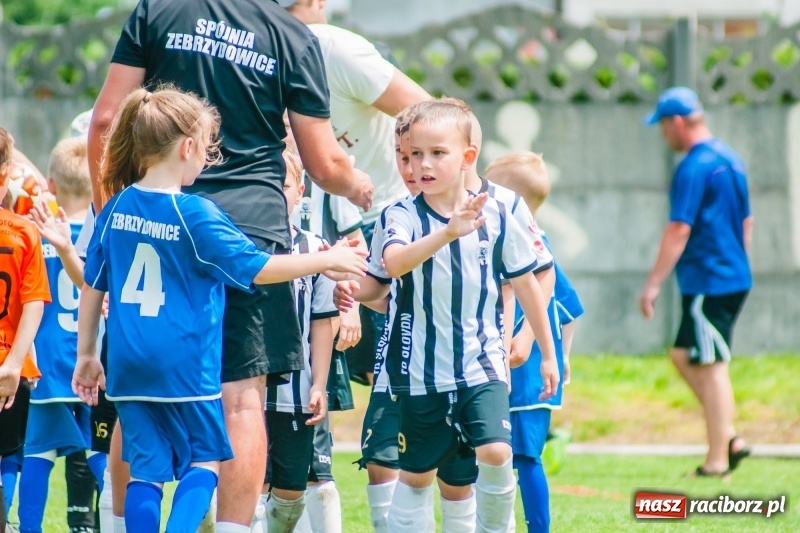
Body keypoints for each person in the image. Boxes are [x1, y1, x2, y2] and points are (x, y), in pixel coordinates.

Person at [88, 1, 374, 531]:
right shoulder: (292, 35)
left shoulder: (156, 10)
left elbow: (106, 119)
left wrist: (114, 226)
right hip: (249, 225)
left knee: (139, 402)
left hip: (151, 222)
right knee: (241, 401)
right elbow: (323, 163)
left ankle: (119, 523)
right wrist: (357, 186)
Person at [378, 101, 558, 531]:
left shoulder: (498, 213)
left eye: (437, 153)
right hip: (420, 371)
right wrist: (447, 231)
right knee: (418, 475)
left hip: (483, 364)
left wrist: (547, 351)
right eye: (413, 154)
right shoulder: (401, 213)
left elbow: (529, 282)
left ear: (468, 158)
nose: (423, 164)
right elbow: (394, 263)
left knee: (497, 451)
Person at [282, 0, 431, 386]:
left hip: (381, 211)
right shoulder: (265, 53)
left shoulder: (339, 51)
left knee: (395, 352)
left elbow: (432, 116)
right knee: (326, 360)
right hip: (312, 216)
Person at [639, 86, 752, 477]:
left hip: (709, 279)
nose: (663, 136)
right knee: (683, 355)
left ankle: (718, 460)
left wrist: (653, 284)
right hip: (728, 275)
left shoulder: (693, 165)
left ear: (678, 122)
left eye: (663, 127)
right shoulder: (730, 158)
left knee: (711, 365)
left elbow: (678, 229)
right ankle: (729, 437)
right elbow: (747, 222)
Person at [485, 152, 584, 532]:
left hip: (528, 379)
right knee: (497, 455)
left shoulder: (535, 248)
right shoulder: (498, 241)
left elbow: (566, 307)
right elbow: (572, 311)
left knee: (526, 456)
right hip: (503, 370)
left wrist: (557, 357)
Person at [18, 138, 107, 533]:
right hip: (95, 363)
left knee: (38, 452)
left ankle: (29, 527)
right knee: (101, 450)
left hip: (48, 366)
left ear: (49, 186)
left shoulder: (36, 237)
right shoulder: (101, 237)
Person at [251, 149, 340, 533]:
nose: (274, 194)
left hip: (295, 392)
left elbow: (322, 321)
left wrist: (319, 382)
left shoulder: (316, 249)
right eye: (265, 185)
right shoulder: (238, 243)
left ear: (300, 190)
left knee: (290, 495)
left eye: (283, 184)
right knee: (249, 484)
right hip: (245, 392)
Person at [0, 127, 50, 533]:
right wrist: (16, 363)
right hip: (9, 369)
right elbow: (34, 302)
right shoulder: (24, 232)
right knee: (7, 458)